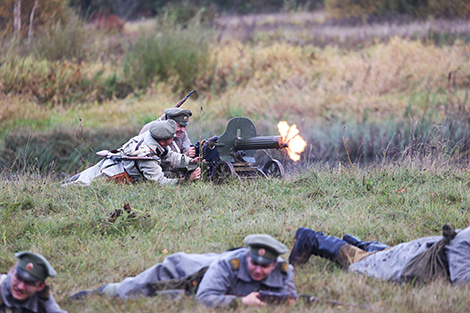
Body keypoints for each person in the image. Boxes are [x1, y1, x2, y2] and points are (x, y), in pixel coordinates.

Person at [70, 234, 297, 308]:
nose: (258, 270)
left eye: (264, 266)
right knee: (139, 289)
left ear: (275, 264)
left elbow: (289, 298)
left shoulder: (285, 271)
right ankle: (102, 290)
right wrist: (241, 302)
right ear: (247, 256)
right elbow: (205, 297)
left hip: (212, 279)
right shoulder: (228, 265)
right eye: (253, 263)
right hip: (188, 271)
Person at [288, 225, 470, 284]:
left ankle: (363, 245)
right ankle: (312, 239)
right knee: (363, 263)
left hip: (419, 250)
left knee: (390, 253)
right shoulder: (464, 245)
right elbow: (461, 279)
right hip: (418, 260)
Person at [62, 120, 201, 186]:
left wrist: (189, 161)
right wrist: (186, 181)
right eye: (172, 137)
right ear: (163, 141)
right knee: (76, 187)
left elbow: (169, 155)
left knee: (73, 182)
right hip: (111, 174)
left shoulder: (152, 137)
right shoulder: (148, 158)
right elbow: (159, 183)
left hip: (112, 162)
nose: (174, 138)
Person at [0, 252, 67, 313]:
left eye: (29, 283)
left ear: (41, 286)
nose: (20, 287)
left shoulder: (41, 297)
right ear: (12, 272)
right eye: (18, 278)